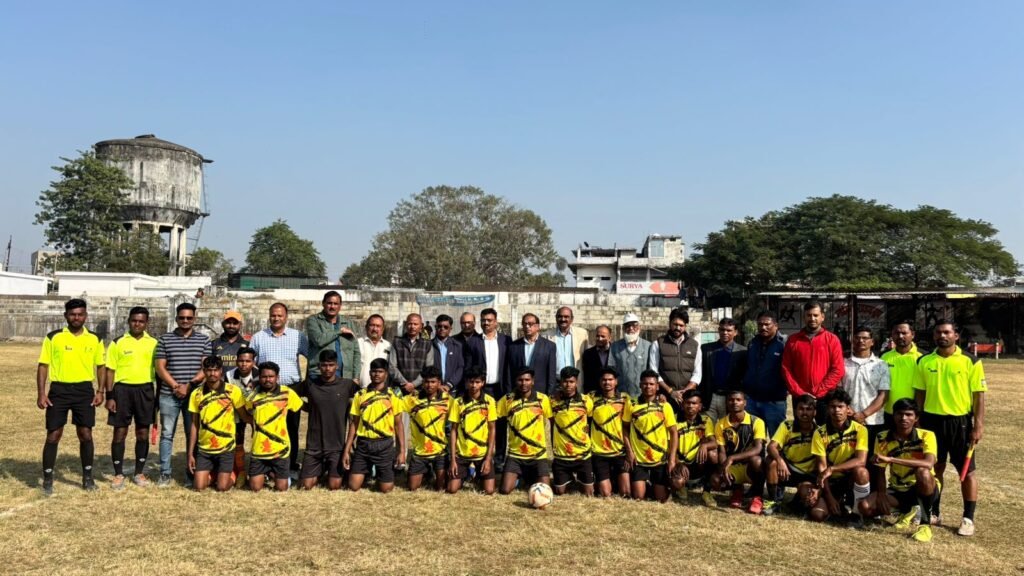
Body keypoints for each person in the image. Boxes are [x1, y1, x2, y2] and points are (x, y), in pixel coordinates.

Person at [913, 320, 986, 537]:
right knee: (935, 469)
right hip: (931, 423)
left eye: (946, 332)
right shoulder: (924, 361)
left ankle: (968, 518)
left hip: (960, 423)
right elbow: (919, 393)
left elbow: (978, 396)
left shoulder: (970, 361)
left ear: (956, 336)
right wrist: (917, 421)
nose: (942, 336)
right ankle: (934, 512)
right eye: (938, 332)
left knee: (968, 472)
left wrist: (978, 425)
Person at [37, 298, 106, 495]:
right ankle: (48, 478)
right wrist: (41, 393)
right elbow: (43, 366)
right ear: (66, 315)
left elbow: (101, 367)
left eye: (80, 314)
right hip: (58, 391)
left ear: (86, 316)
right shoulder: (53, 337)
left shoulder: (95, 338)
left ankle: (87, 477)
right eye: (73, 314)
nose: (77, 317)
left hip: (84, 391)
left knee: (85, 434)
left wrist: (100, 391)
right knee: (53, 434)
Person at [858, 398, 939, 543]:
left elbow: (929, 463)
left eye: (909, 415)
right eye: (899, 414)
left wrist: (892, 460)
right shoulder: (883, 437)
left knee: (923, 472)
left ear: (916, 418)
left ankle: (925, 525)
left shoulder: (927, 435)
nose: (904, 418)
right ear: (893, 416)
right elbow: (880, 470)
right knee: (865, 507)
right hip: (898, 489)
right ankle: (906, 511)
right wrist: (882, 494)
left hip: (923, 487)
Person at [250, 302, 309, 479]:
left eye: (280, 315)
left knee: (291, 428)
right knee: (265, 428)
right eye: (273, 315)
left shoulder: (298, 336)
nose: (276, 318)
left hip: (291, 389)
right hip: (266, 390)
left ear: (286, 317)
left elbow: (310, 358)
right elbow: (250, 361)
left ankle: (289, 466)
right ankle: (266, 465)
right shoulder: (259, 337)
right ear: (269, 316)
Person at [156, 302, 212, 487]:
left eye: (189, 317)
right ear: (176, 318)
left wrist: (188, 386)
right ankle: (165, 472)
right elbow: (160, 367)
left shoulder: (204, 340)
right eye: (182, 317)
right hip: (168, 394)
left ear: (195, 319)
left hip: (194, 396)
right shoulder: (165, 339)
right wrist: (175, 386)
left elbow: (206, 368)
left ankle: (190, 473)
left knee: (193, 434)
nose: (185, 321)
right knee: (166, 434)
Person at [104, 306, 158, 490]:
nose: (137, 324)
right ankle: (118, 474)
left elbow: (158, 371)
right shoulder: (117, 342)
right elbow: (109, 370)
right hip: (122, 391)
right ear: (129, 321)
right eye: (134, 320)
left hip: (145, 390)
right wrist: (109, 396)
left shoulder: (154, 343)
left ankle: (139, 472)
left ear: (146, 323)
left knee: (142, 432)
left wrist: (156, 397)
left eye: (141, 321)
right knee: (120, 432)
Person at [291, 350, 356, 490]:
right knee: (306, 486)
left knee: (334, 486)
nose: (327, 369)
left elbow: (364, 396)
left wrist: (351, 407)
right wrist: (305, 406)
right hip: (314, 446)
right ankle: (321, 469)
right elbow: (290, 393)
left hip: (336, 447)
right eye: (324, 365)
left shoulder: (347, 385)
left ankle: (334, 469)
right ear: (319, 366)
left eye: (331, 365)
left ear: (337, 366)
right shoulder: (310, 384)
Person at [807, 388, 870, 524]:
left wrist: (833, 468)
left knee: (862, 472)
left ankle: (857, 513)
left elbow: (861, 460)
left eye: (840, 406)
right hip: (830, 481)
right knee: (817, 514)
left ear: (848, 409)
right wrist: (829, 497)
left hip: (850, 478)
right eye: (832, 407)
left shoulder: (860, 429)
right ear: (828, 409)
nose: (837, 410)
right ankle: (839, 503)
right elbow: (822, 469)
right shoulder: (819, 433)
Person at [344, 358, 406, 493]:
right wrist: (347, 450)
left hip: (384, 444)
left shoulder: (393, 395)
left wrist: (401, 451)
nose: (376, 374)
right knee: (354, 486)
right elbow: (354, 424)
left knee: (386, 489)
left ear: (386, 374)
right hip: (363, 444)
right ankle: (366, 471)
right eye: (373, 371)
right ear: (369, 373)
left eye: (380, 371)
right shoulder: (360, 395)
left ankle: (383, 472)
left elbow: (398, 425)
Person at [186, 356, 247, 492]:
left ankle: (235, 473)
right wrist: (190, 453)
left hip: (226, 448)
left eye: (215, 370)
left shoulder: (232, 391)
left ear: (221, 371)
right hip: (205, 449)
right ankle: (214, 474)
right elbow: (195, 425)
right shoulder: (196, 394)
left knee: (222, 487)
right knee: (199, 487)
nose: (212, 374)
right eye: (208, 370)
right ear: (204, 371)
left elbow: (244, 416)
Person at [242, 361, 304, 492]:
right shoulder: (252, 396)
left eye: (271, 376)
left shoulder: (287, 393)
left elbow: (301, 406)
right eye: (264, 377)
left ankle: (273, 474)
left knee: (282, 488)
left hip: (280, 450)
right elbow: (247, 412)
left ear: (277, 377)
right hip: (259, 450)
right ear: (259, 377)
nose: (267, 380)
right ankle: (266, 473)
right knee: (255, 488)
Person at [781, 301, 845, 423]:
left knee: (824, 433)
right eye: (809, 315)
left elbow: (838, 369)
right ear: (804, 317)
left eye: (815, 315)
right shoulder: (793, 340)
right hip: (800, 397)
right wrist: (799, 392)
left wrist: (818, 392)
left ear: (822, 317)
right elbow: (786, 368)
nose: (812, 318)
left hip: (824, 397)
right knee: (801, 433)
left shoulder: (832, 339)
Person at [466, 308, 512, 469]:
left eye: (489, 320)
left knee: (500, 425)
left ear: (496, 322)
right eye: (483, 320)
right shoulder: (473, 341)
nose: (486, 323)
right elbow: (469, 366)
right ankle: (478, 459)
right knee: (479, 425)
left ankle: (499, 460)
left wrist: (509, 390)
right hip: (481, 390)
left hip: (500, 390)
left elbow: (509, 367)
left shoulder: (506, 341)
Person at [709, 390, 767, 514]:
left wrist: (732, 458)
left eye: (738, 400)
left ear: (745, 403)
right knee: (715, 480)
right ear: (726, 403)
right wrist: (723, 468)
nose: (734, 402)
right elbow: (722, 451)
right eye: (731, 400)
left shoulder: (756, 422)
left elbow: (758, 448)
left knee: (757, 461)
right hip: (734, 466)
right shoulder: (720, 424)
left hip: (750, 466)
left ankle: (757, 497)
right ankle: (737, 490)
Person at [624, 370, 678, 503]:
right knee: (638, 497)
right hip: (639, 460)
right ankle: (646, 485)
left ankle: (657, 486)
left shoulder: (665, 405)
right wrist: (629, 452)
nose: (648, 387)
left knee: (661, 499)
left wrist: (671, 459)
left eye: (651, 384)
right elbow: (624, 428)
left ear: (657, 386)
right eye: (645, 384)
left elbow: (673, 432)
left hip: (659, 459)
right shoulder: (631, 404)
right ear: (640, 385)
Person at [498, 367, 553, 494]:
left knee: (545, 490)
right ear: (515, 381)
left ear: (533, 381)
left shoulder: (543, 399)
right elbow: (495, 421)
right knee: (505, 490)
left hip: (538, 455)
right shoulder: (507, 400)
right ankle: (520, 479)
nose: (524, 383)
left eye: (527, 380)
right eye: (520, 380)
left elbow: (552, 421)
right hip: (515, 455)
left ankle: (528, 477)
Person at [763, 394, 818, 516]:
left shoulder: (819, 431)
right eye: (801, 409)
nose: (804, 413)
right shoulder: (787, 425)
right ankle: (774, 502)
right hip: (787, 471)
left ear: (815, 412)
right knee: (771, 462)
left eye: (808, 409)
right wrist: (780, 461)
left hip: (807, 475)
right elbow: (771, 446)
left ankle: (798, 501)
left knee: (804, 500)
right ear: (795, 411)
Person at [446, 367, 497, 494]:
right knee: (452, 489)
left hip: (482, 454)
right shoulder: (458, 402)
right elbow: (453, 431)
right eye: (471, 382)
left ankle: (479, 477)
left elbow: (492, 430)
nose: (474, 385)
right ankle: (464, 476)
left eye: (477, 382)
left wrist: (488, 458)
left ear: (483, 383)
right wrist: (453, 459)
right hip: (462, 453)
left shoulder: (489, 401)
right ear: (466, 382)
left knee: (489, 490)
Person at [841, 326, 890, 454]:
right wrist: (850, 412)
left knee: (873, 461)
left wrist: (863, 415)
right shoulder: (843, 363)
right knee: (848, 458)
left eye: (865, 338)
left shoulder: (881, 365)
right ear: (852, 340)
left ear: (872, 342)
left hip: (873, 421)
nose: (861, 341)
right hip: (846, 420)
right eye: (857, 338)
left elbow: (883, 394)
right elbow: (838, 391)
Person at [403, 366, 450, 491]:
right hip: (420, 452)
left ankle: (433, 471)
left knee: (441, 488)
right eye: (426, 382)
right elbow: (394, 405)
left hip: (440, 451)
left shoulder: (447, 400)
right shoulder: (412, 399)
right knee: (413, 487)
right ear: (422, 382)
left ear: (439, 383)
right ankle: (426, 472)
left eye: (433, 382)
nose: (429, 385)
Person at [589, 367, 634, 498]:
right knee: (605, 494)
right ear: (599, 382)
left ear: (616, 382)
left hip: (619, 451)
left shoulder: (625, 398)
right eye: (604, 380)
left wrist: (629, 451)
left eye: (610, 379)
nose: (607, 382)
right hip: (599, 452)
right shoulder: (591, 398)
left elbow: (629, 424)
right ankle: (602, 481)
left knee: (626, 493)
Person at [743, 311, 788, 437]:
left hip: (774, 402)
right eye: (760, 324)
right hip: (752, 400)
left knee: (777, 440)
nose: (763, 327)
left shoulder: (783, 344)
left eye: (767, 324)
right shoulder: (753, 343)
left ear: (776, 325)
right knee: (754, 440)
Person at [551, 367, 595, 496]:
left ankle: (583, 477)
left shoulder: (586, 400)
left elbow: (591, 421)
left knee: (588, 493)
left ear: (576, 382)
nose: (568, 385)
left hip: (583, 455)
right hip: (561, 456)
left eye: (571, 382)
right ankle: (568, 477)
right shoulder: (552, 401)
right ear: (560, 383)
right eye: (565, 382)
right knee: (560, 492)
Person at [649, 308, 702, 412]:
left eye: (681, 325)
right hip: (664, 397)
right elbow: (654, 372)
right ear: (670, 323)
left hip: (687, 399)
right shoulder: (657, 344)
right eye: (675, 324)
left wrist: (685, 392)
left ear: (685, 326)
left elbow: (697, 374)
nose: (677, 328)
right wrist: (671, 392)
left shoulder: (694, 345)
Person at [671, 389, 718, 505]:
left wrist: (705, 446)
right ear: (682, 404)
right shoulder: (673, 419)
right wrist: (677, 462)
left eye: (694, 403)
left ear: (700, 406)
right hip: (680, 463)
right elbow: (669, 446)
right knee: (677, 482)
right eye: (688, 403)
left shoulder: (706, 420)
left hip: (698, 463)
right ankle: (681, 488)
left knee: (713, 454)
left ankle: (707, 492)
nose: (690, 406)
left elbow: (715, 442)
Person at [305, 291, 361, 383]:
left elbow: (356, 352)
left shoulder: (348, 323)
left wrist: (356, 376)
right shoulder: (314, 320)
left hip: (345, 376)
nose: (332, 306)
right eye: (329, 303)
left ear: (340, 306)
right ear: (323, 304)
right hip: (319, 375)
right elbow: (319, 340)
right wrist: (340, 331)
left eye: (336, 304)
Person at [700, 318, 747, 421]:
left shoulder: (743, 352)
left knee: (727, 430)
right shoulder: (706, 349)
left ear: (736, 332)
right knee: (708, 431)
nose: (725, 333)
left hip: (730, 398)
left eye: (729, 330)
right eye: (722, 330)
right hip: (710, 397)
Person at [226, 346, 258, 486]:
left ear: (253, 362)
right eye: (241, 361)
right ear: (236, 361)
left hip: (257, 410)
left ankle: (258, 471)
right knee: (237, 440)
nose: (244, 364)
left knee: (258, 440)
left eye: (248, 361)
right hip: (237, 411)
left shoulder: (260, 374)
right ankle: (240, 471)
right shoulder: (228, 375)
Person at [880, 322, 922, 425]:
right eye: (896, 333)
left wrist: (919, 413)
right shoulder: (884, 357)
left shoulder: (922, 358)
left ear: (912, 334)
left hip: (912, 414)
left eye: (904, 333)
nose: (900, 336)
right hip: (889, 412)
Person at [507, 313, 558, 396]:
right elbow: (509, 372)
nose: (527, 326)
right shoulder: (513, 346)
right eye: (525, 324)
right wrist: (509, 393)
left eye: (530, 324)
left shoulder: (549, 346)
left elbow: (551, 374)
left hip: (540, 393)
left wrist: (550, 394)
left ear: (537, 326)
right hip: (517, 393)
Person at [607, 312, 652, 399]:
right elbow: (611, 370)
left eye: (634, 326)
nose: (631, 328)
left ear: (639, 327)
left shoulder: (648, 346)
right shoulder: (615, 346)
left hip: (642, 396)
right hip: (620, 396)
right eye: (627, 326)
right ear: (623, 328)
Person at [389, 313, 435, 395]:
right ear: (406, 325)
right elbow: (392, 367)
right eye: (410, 324)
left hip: (420, 389)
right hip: (399, 389)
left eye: (415, 324)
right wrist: (405, 383)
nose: (412, 326)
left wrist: (414, 384)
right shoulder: (397, 342)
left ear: (421, 326)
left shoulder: (427, 344)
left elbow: (428, 369)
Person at [543, 306, 589, 379]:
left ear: (572, 319)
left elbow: (586, 358)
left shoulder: (582, 334)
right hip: (556, 380)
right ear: (556, 318)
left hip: (575, 381)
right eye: (560, 316)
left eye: (566, 317)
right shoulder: (546, 336)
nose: (563, 319)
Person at [357, 314, 391, 390]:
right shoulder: (358, 344)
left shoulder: (389, 346)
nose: (375, 329)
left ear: (383, 329)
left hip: (382, 391)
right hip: (360, 389)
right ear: (366, 327)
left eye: (378, 326)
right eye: (372, 325)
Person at [433, 315, 464, 393]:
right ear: (435, 327)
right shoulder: (429, 345)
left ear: (450, 329)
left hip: (451, 390)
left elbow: (460, 368)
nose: (442, 329)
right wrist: (437, 385)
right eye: (439, 326)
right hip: (433, 390)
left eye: (446, 327)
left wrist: (449, 385)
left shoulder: (457, 346)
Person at [581, 325, 612, 395]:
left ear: (609, 338)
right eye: (598, 336)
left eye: (603, 336)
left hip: (612, 394)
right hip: (594, 394)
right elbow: (586, 377)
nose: (600, 339)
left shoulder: (616, 352)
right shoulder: (588, 354)